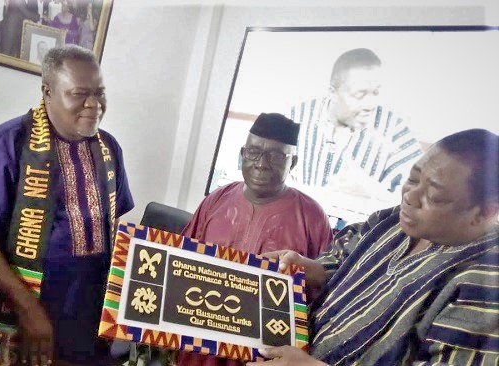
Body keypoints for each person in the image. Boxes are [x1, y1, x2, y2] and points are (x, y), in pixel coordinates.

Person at [247, 128, 498, 366]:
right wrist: (313, 269)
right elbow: (341, 256)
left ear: (484, 212)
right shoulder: (392, 221)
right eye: (412, 179)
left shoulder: (484, 289)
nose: (409, 197)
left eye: (434, 196)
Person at [0, 45, 134, 365]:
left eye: (100, 93)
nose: (94, 104)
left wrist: (124, 302)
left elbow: (115, 227)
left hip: (91, 317)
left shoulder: (109, 148)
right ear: (47, 91)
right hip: (25, 312)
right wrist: (28, 308)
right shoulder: (4, 146)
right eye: (79, 94)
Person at [177, 113, 333, 366]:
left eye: (276, 155)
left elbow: (325, 287)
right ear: (242, 153)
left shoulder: (312, 216)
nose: (262, 163)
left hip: (263, 356)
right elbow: (179, 263)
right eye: (253, 152)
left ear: (293, 162)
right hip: (200, 350)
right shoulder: (216, 200)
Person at [290, 48, 423, 202]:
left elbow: (417, 199)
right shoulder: (298, 116)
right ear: (332, 93)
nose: (370, 104)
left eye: (376, 93)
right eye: (360, 95)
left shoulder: (395, 131)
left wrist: (370, 190)